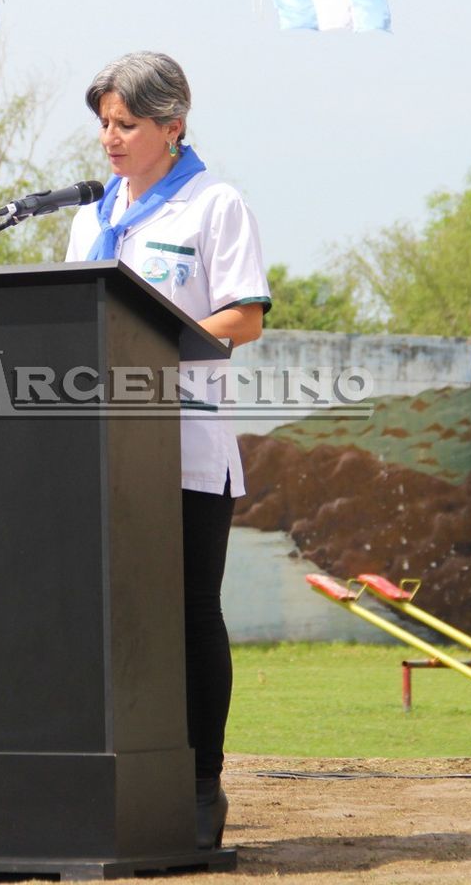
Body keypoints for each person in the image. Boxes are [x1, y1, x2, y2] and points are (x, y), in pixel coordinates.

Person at [64, 52, 270, 850]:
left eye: (126, 125)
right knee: (110, 620)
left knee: (185, 618)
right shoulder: (92, 214)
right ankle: (115, 775)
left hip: (182, 450)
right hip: (96, 450)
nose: (110, 140)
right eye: (104, 125)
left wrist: (148, 349)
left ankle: (199, 785)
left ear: (172, 126)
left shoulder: (215, 205)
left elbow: (243, 318)